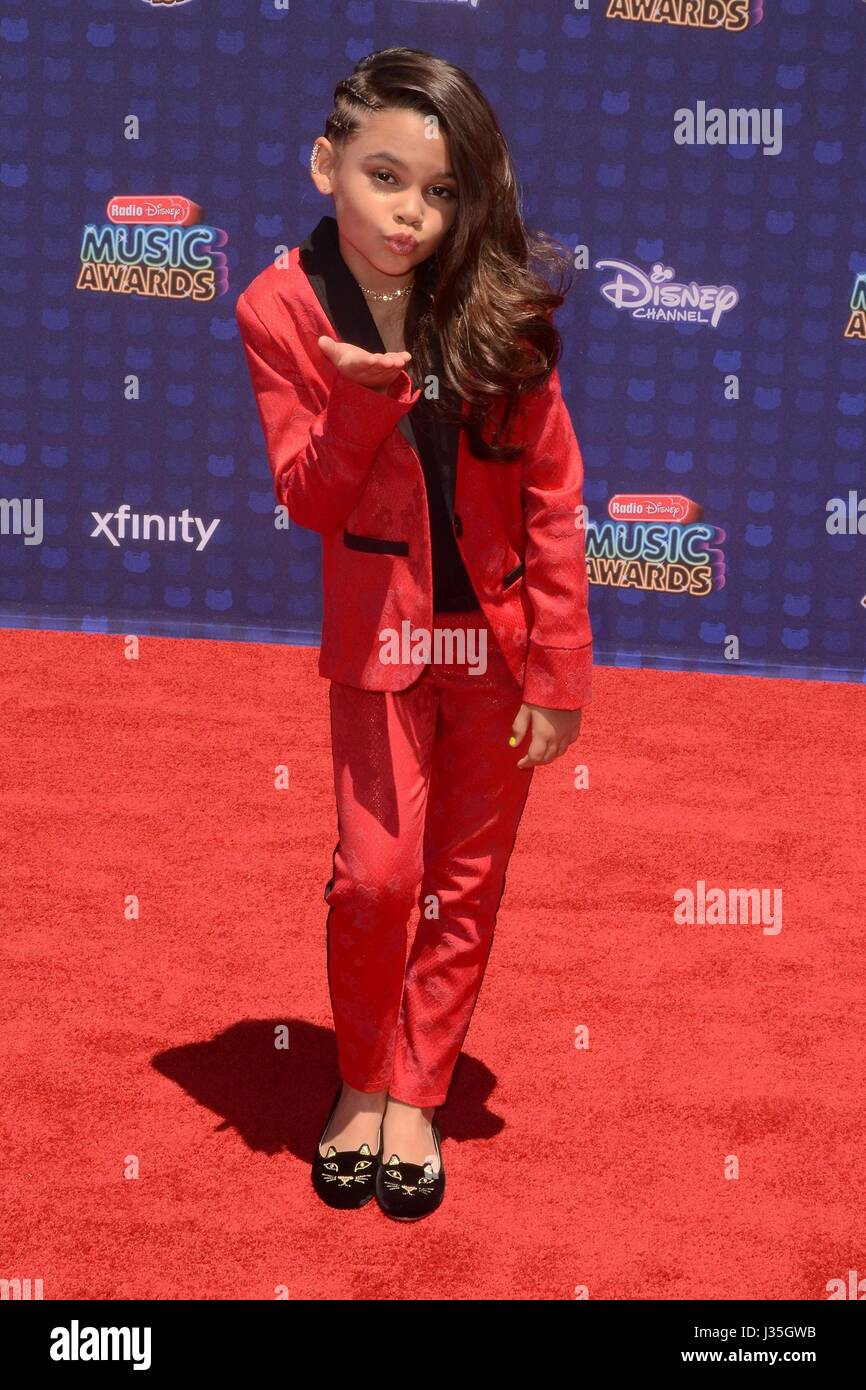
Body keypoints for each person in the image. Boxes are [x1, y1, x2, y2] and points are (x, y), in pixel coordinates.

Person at [235, 47, 593, 1220]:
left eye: (440, 192)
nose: (412, 214)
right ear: (326, 162)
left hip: (493, 647)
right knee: (382, 880)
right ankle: (354, 1076)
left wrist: (556, 670)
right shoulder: (278, 306)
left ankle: (415, 1092)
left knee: (465, 882)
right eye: (386, 177)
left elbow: (549, 492)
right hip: (382, 646)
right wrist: (357, 396)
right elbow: (308, 497)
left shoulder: (495, 300)